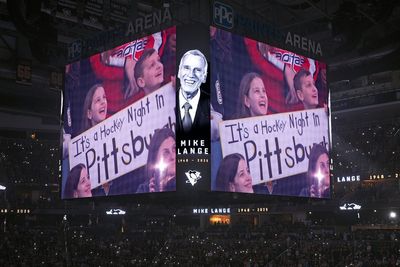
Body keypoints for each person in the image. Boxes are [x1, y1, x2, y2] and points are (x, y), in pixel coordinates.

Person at [177, 49, 210, 134]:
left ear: (204, 77)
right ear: (179, 72)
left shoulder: (212, 107)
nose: (191, 74)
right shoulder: (167, 103)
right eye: (186, 68)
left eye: (197, 70)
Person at [137, 127, 176, 193]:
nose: (173, 156)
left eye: (174, 149)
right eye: (166, 153)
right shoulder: (144, 189)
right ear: (155, 161)